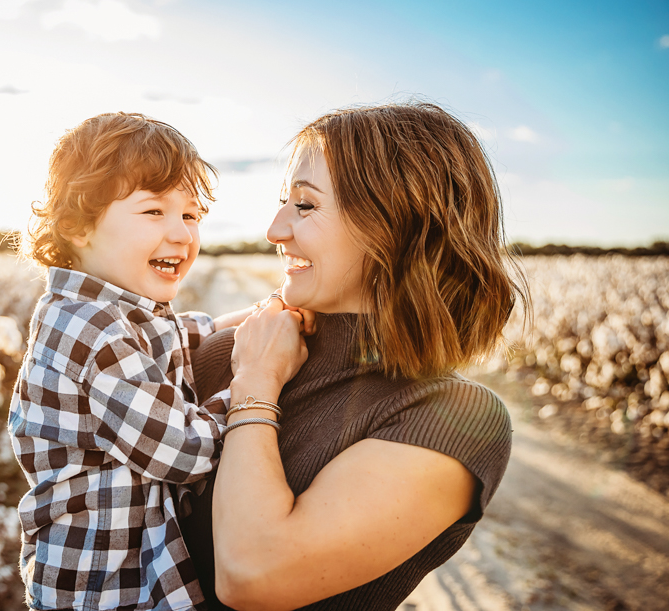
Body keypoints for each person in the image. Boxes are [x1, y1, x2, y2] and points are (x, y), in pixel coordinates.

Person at [180, 101, 530, 611]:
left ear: (395, 223)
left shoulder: (450, 418)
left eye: (305, 205)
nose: (275, 231)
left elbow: (251, 573)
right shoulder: (227, 349)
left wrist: (255, 384)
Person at [9, 112, 264, 610]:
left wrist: (257, 318)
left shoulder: (112, 314)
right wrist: (255, 384)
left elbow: (183, 337)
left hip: (130, 573)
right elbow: (183, 449)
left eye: (190, 216)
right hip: (101, 587)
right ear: (77, 227)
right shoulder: (90, 328)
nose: (181, 234)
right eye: (153, 212)